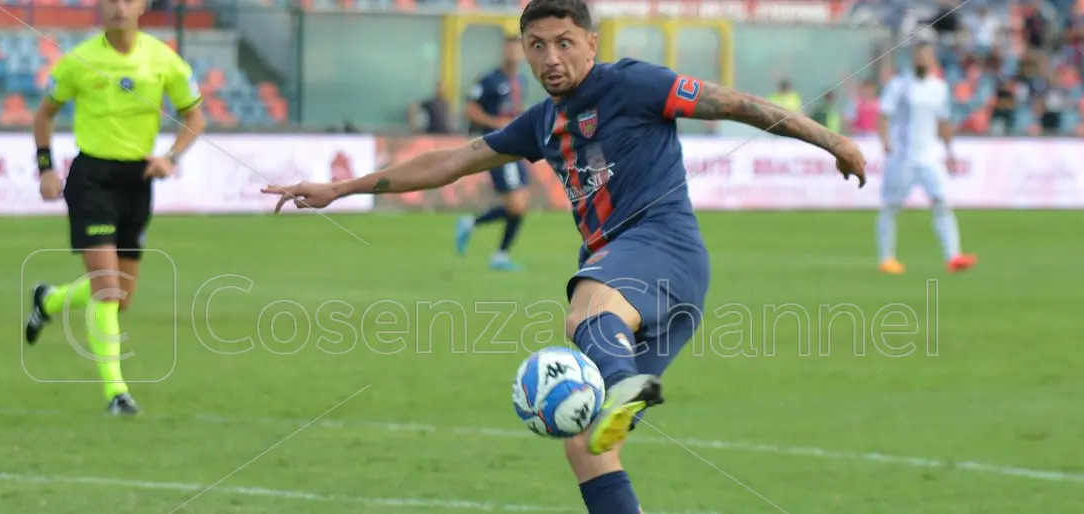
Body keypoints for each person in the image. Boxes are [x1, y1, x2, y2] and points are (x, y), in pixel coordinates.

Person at [264, 0, 865, 512]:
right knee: (586, 445)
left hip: (661, 246)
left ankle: (624, 384)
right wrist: (341, 188)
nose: (551, 57)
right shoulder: (541, 123)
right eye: (537, 45)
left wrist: (833, 140)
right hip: (649, 280)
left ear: (591, 44)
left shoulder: (632, 84)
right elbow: (449, 162)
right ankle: (621, 388)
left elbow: (734, 103)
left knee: (584, 311)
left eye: (564, 43)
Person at [24, 0, 206, 415]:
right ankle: (116, 393)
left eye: (128, 0)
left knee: (119, 296)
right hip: (92, 179)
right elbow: (44, 115)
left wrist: (171, 158)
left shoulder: (164, 60)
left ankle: (48, 301)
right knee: (107, 288)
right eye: (111, 0)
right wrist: (46, 168)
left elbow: (195, 117)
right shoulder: (78, 60)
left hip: (138, 182)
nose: (119, 7)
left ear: (143, 6)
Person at [876, 43, 976, 274]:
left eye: (926, 57)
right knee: (891, 206)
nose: (922, 60)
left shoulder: (939, 87)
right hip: (902, 156)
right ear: (913, 59)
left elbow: (943, 121)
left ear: (932, 61)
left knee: (941, 201)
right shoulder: (899, 85)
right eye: (919, 56)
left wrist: (949, 151)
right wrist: (886, 141)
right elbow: (884, 116)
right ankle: (886, 259)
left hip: (929, 156)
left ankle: (953, 256)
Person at [455, 35, 530, 271]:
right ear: (503, 51)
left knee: (521, 204)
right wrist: (495, 122)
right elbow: (469, 109)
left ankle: (493, 247)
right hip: (497, 146)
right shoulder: (489, 80)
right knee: (516, 204)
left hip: (517, 145)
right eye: (509, 49)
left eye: (517, 49)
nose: (513, 53)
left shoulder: (521, 81)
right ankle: (496, 252)